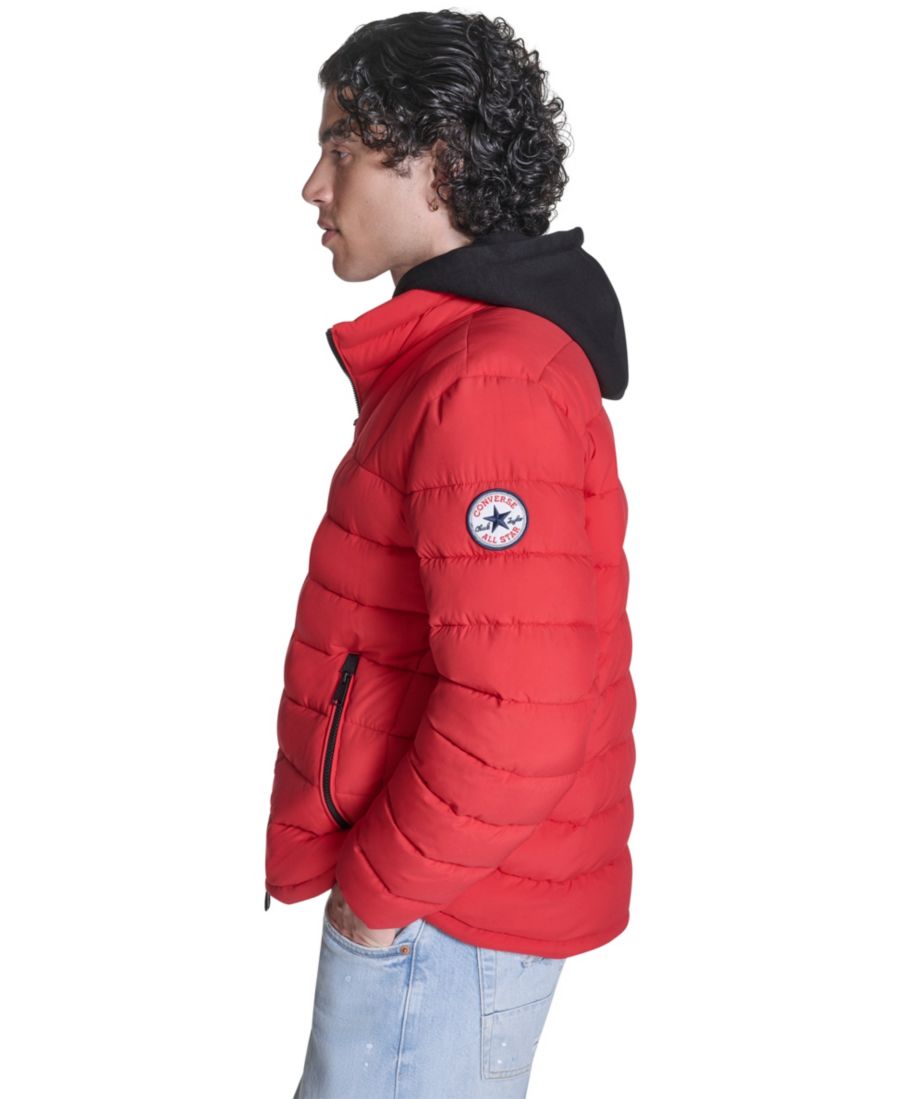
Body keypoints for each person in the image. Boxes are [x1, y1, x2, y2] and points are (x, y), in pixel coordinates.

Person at [263, 11, 636, 1097]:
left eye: (342, 148)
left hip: (443, 913)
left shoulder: (491, 381)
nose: (314, 186)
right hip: (447, 902)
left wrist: (375, 900)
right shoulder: (470, 359)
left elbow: (519, 713)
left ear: (440, 166)